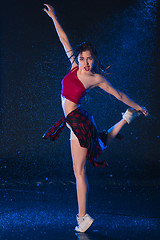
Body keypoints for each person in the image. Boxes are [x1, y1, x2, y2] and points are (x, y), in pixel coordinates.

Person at [42, 4, 148, 233]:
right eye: (83, 59)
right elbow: (64, 39)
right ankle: (126, 119)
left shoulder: (96, 79)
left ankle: (83, 216)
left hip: (77, 121)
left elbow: (118, 94)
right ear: (78, 59)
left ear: (94, 59)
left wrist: (137, 104)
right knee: (98, 144)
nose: (86, 63)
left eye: (90, 59)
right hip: (75, 121)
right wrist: (54, 16)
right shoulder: (73, 67)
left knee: (79, 171)